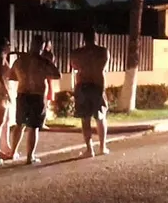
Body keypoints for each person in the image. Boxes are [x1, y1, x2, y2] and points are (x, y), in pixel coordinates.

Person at [6, 36, 61, 164]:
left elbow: (11, 76)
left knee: (19, 124)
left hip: (22, 94)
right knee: (33, 127)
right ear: (42, 46)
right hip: (37, 95)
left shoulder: (20, 61)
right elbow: (57, 74)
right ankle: (30, 157)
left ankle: (13, 152)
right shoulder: (43, 62)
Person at [70, 29, 110, 157]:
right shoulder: (103, 51)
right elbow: (103, 67)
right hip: (98, 85)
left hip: (83, 85)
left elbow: (75, 67)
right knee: (101, 117)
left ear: (84, 38)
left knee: (85, 118)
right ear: (96, 37)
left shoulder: (77, 53)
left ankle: (89, 149)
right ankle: (103, 147)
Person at [40, 40, 56, 130]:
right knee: (45, 102)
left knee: (46, 101)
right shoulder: (47, 56)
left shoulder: (44, 55)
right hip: (47, 78)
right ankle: (42, 122)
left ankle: (42, 121)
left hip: (47, 79)